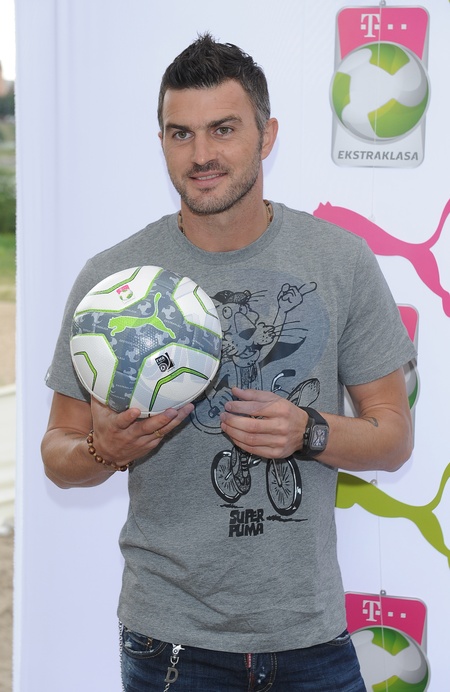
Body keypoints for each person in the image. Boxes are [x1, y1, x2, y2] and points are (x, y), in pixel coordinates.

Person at [42, 33, 417, 691]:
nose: (201, 155)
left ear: (266, 135)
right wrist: (104, 450)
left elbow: (393, 439)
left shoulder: (340, 260)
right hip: (169, 642)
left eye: (223, 129)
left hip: (310, 637)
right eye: (180, 134)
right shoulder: (113, 282)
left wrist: (310, 431)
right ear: (161, 141)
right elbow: (57, 453)